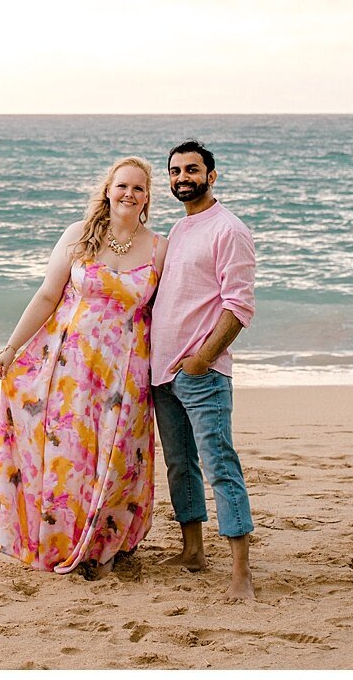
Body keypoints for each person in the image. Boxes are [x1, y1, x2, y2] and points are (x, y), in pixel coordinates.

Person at [0, 156, 166, 578]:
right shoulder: (79, 236)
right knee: (70, 453)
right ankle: (63, 541)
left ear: (147, 198)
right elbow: (47, 296)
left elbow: (166, 312)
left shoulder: (160, 248)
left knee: (118, 454)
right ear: (108, 190)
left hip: (126, 372)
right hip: (70, 367)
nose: (129, 194)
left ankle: (103, 544)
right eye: (122, 185)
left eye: (138, 188)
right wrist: (12, 348)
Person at [150, 139, 257, 601]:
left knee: (220, 466)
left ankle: (241, 572)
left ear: (212, 176)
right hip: (161, 375)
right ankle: (192, 550)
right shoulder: (177, 230)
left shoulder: (228, 229)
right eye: (175, 172)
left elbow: (239, 306)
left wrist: (201, 359)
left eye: (191, 170)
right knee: (180, 466)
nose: (182, 178)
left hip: (202, 374)